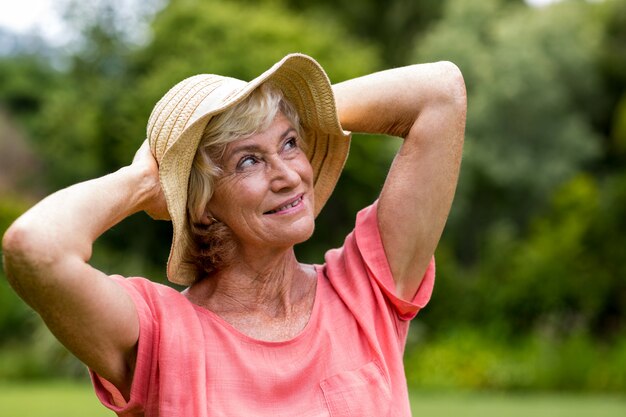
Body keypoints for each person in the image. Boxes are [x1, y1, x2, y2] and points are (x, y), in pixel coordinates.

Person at [2, 53, 466, 416]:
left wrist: (302, 111)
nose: (288, 175)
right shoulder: (162, 336)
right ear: (203, 204)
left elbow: (441, 92)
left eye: (289, 142)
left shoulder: (364, 291)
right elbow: (34, 247)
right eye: (249, 160)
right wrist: (148, 178)